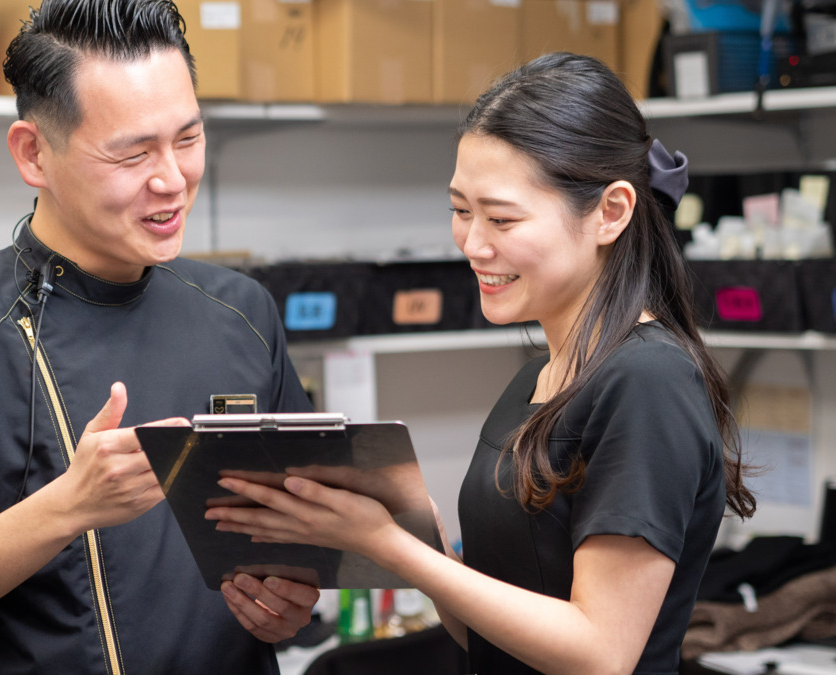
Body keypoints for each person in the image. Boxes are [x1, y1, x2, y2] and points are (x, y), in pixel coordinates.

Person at [205, 52, 757, 674]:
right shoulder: (537, 380)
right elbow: (488, 638)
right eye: (461, 211)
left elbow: (601, 654)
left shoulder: (648, 381)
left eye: (501, 218)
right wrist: (416, 530)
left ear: (611, 212)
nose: (472, 244)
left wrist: (389, 546)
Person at [0, 0, 319, 672]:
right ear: (33, 152)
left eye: (187, 139)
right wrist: (66, 507)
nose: (170, 178)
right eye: (131, 152)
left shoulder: (242, 309)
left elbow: (293, 533)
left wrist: (288, 599)